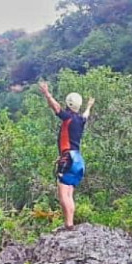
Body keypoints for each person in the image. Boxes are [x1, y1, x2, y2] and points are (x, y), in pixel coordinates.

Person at [39, 81, 95, 230]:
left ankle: (69, 225)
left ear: (69, 104)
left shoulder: (68, 118)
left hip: (68, 158)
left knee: (63, 194)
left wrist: (46, 93)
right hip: (78, 160)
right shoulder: (80, 120)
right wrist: (89, 106)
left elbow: (55, 107)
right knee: (69, 193)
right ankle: (69, 224)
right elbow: (86, 115)